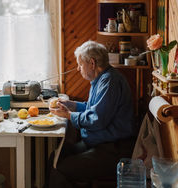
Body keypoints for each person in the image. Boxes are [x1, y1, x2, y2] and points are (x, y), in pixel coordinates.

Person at [47, 40, 136, 188]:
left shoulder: (110, 81)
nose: (78, 69)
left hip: (112, 149)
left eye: (80, 64)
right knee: (55, 157)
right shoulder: (101, 79)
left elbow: (97, 119)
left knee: (61, 168)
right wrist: (72, 105)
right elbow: (92, 108)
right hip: (98, 143)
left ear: (92, 63)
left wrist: (69, 115)